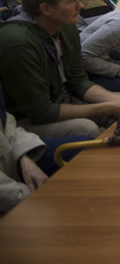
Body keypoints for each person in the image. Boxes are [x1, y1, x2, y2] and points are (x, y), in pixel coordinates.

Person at [0, 0, 120, 139]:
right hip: (25, 121)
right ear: (45, 9)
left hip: (63, 99)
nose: (80, 6)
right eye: (71, 1)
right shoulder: (18, 42)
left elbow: (78, 80)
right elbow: (41, 112)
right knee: (85, 128)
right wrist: (107, 107)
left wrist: (115, 100)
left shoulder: (66, 27)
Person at [0, 81, 87, 215]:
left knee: (85, 148)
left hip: (13, 155)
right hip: (9, 191)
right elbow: (42, 111)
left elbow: (6, 122)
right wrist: (37, 201)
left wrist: (22, 156)